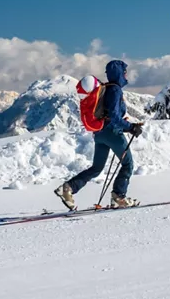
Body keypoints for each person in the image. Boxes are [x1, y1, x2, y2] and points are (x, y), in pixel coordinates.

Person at [54, 59, 143, 210]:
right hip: (112, 133)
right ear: (120, 73)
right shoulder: (115, 89)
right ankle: (119, 198)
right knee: (128, 164)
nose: (127, 75)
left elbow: (108, 113)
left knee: (96, 168)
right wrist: (131, 127)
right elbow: (114, 116)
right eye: (125, 72)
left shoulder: (105, 88)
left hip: (99, 133)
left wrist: (127, 125)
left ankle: (67, 188)